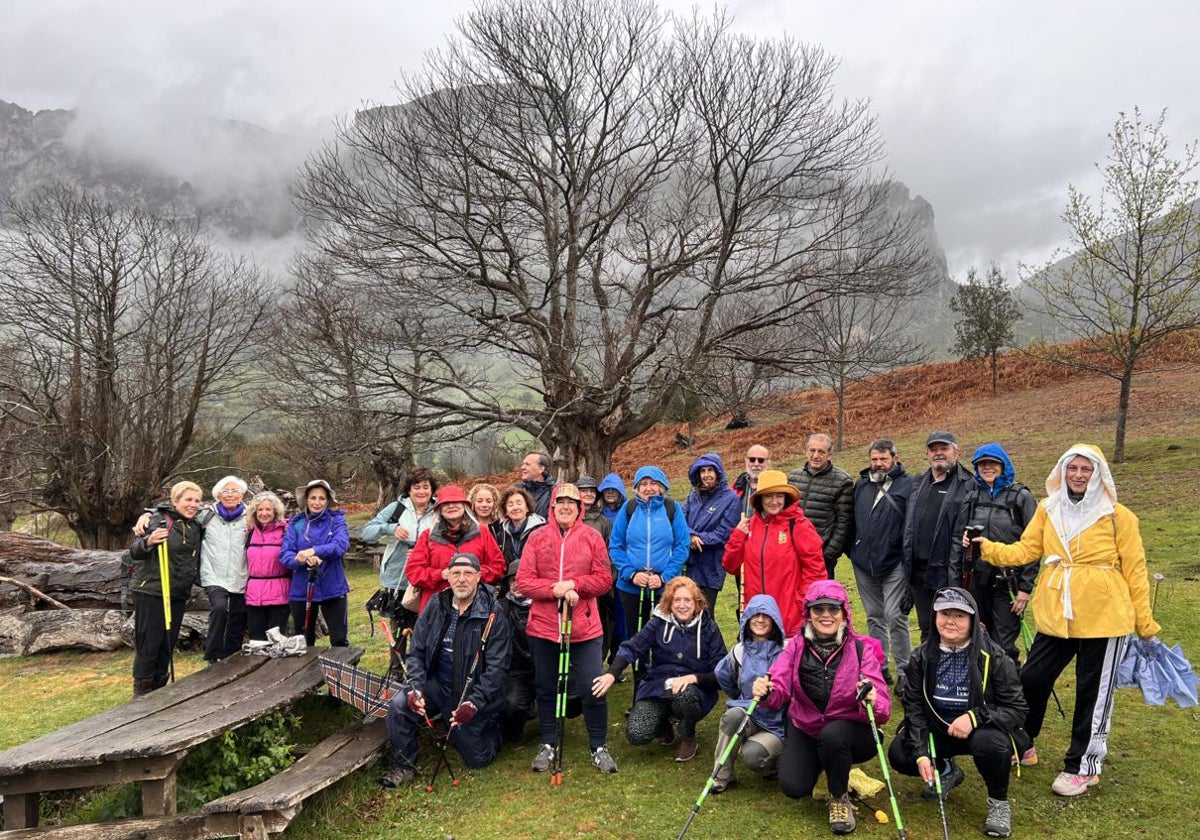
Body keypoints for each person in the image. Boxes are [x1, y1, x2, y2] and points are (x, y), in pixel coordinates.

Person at [975, 444, 1161, 798]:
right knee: (1031, 677)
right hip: (1058, 614)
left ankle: (1083, 766)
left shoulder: (1118, 516)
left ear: (1098, 475)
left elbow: (1136, 572)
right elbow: (1025, 551)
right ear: (1062, 471)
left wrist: (1145, 624)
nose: (1077, 475)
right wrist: (987, 547)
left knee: (1093, 694)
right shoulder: (1049, 508)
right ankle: (1022, 741)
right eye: (1072, 468)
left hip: (1106, 616)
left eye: (1085, 469)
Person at [753, 581, 891, 836]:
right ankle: (829, 764)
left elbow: (883, 709)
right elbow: (779, 687)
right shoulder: (795, 646)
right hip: (806, 727)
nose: (826, 615)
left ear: (844, 613)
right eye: (818, 609)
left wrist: (872, 697)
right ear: (809, 614)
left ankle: (839, 797)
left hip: (851, 731)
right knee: (794, 787)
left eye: (833, 609)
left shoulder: (862, 649)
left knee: (833, 736)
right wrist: (767, 691)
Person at [887, 587, 1026, 839]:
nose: (950, 621)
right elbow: (915, 708)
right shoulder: (921, 657)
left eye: (959, 616)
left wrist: (974, 718)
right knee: (900, 753)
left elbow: (1016, 709)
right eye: (944, 614)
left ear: (973, 620)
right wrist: (920, 754)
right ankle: (946, 771)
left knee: (992, 744)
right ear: (934, 616)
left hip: (980, 732)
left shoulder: (994, 656)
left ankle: (998, 803)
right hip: (939, 730)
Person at [381, 553, 513, 787]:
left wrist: (474, 702)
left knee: (477, 760)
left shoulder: (493, 613)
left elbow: (497, 667)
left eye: (468, 574)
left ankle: (495, 724)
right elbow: (417, 652)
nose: (462, 579)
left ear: (479, 577)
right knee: (400, 705)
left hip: (471, 692)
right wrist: (416, 688)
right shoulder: (436, 604)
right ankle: (403, 765)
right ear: (448, 578)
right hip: (438, 684)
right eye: (456, 574)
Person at [518, 484, 619, 774]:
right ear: (552, 506)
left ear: (580, 508)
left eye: (571, 503)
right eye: (560, 502)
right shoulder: (537, 538)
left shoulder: (592, 537)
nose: (565, 507)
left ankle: (598, 745)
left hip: (585, 627)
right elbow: (524, 581)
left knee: (592, 687)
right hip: (544, 627)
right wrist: (555, 590)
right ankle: (548, 743)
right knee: (546, 687)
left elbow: (603, 579)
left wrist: (576, 585)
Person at [593, 576, 727, 762]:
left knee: (685, 698)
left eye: (687, 600)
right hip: (659, 687)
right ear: (669, 603)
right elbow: (632, 647)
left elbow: (722, 673)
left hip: (695, 691)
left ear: (696, 603)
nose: (682, 605)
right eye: (676, 600)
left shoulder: (708, 628)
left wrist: (693, 678)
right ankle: (663, 723)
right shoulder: (658, 623)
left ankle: (688, 736)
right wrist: (611, 674)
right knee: (637, 734)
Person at [947, 443, 1037, 665]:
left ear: (1003, 465)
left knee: (1003, 643)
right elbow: (959, 540)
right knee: (977, 636)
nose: (987, 468)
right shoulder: (972, 498)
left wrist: (1025, 589)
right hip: (977, 580)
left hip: (1008, 582)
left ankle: (1008, 691)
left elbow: (1035, 545)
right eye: (982, 465)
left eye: (992, 464)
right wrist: (957, 583)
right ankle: (982, 692)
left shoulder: (1021, 497)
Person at [607, 466, 691, 673]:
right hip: (631, 588)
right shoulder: (629, 509)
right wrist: (631, 574)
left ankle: (664, 687)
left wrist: (664, 577)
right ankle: (640, 692)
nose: (648, 488)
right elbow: (615, 546)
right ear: (636, 488)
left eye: (653, 483)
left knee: (666, 639)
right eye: (643, 484)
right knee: (637, 641)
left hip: (665, 589)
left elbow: (682, 546)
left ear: (662, 486)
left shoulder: (672, 508)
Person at [722, 469, 825, 635]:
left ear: (786, 497)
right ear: (760, 499)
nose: (774, 501)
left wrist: (800, 603)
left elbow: (816, 571)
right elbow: (730, 565)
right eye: (769, 496)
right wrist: (738, 535)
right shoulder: (750, 526)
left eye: (779, 496)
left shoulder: (798, 525)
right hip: (757, 618)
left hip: (790, 618)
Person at [128, 481, 205, 694]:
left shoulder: (195, 525)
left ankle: (159, 689)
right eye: (188, 499)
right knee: (149, 644)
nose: (193, 504)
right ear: (175, 500)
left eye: (197, 500)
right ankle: (142, 692)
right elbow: (134, 552)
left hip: (177, 593)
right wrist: (149, 541)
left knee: (167, 644)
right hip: (152, 590)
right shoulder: (158, 520)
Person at [848, 439, 914, 686]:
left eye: (883, 459)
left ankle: (906, 671)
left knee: (895, 616)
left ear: (894, 459)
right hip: (864, 564)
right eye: (874, 459)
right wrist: (853, 550)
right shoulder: (862, 485)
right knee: (875, 616)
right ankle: (880, 666)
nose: (878, 464)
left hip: (894, 562)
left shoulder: (908, 485)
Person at [710, 594, 787, 795]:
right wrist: (739, 696)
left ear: (774, 620)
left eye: (766, 615)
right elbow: (722, 674)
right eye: (755, 615)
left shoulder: (787, 651)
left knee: (753, 756)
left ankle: (776, 764)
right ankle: (721, 775)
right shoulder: (739, 651)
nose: (760, 620)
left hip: (777, 724)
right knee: (732, 715)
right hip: (749, 713)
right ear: (746, 619)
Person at [903, 431, 975, 642]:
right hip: (918, 573)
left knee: (951, 630)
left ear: (956, 451)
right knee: (927, 628)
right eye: (933, 450)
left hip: (947, 571)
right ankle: (928, 673)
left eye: (944, 449)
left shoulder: (968, 484)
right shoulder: (918, 481)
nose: (938, 454)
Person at [404, 485, 506, 613]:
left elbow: (498, 567)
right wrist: (440, 574)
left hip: (476, 606)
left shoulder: (482, 532)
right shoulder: (428, 536)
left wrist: (472, 574)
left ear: (464, 506)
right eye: (446, 503)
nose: (451, 506)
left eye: (456, 502)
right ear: (439, 509)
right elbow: (413, 572)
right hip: (436, 607)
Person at [280, 479, 351, 646]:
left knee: (339, 640)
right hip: (302, 590)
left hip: (333, 587)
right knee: (304, 641)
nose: (317, 502)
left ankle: (340, 672)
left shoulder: (337, 520)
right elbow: (285, 555)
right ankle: (307, 673)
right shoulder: (296, 524)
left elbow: (340, 545)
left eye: (321, 498)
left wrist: (314, 551)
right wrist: (300, 559)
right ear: (306, 499)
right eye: (313, 498)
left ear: (327, 501)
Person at [361, 467, 439, 602]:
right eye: (416, 487)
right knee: (399, 623)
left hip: (429, 579)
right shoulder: (396, 509)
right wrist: (391, 528)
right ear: (409, 490)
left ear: (432, 490)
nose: (421, 491)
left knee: (428, 622)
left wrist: (423, 553)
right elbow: (367, 533)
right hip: (397, 579)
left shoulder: (440, 511)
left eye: (426, 487)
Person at [787, 434, 854, 579]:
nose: (816, 455)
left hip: (821, 556)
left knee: (819, 599)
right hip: (792, 552)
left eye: (821, 452)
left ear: (829, 455)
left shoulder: (842, 481)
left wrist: (829, 554)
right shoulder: (793, 478)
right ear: (806, 451)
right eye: (812, 450)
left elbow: (844, 523)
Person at [199, 476, 250, 663]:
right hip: (213, 573)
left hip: (240, 573)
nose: (230, 495)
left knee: (238, 614)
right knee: (220, 609)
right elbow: (180, 510)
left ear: (242, 495)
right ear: (218, 495)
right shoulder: (206, 515)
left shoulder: (250, 516)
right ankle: (212, 656)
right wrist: (147, 514)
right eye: (225, 491)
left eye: (234, 491)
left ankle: (232, 656)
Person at [682, 453, 741, 611]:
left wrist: (697, 539)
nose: (706, 475)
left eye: (710, 470)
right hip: (688, 563)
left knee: (705, 614)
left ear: (718, 473)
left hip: (711, 566)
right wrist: (690, 537)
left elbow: (723, 534)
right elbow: (679, 523)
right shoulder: (692, 497)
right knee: (687, 612)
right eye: (702, 471)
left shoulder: (731, 499)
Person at [576, 475, 617, 661]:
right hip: (575, 584)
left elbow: (611, 552)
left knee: (603, 624)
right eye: (584, 490)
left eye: (592, 491)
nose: (588, 494)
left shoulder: (604, 522)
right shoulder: (570, 519)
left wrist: (608, 580)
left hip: (601, 586)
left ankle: (598, 663)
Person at [244, 491, 291, 641]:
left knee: (277, 641)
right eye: (260, 510)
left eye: (268, 509)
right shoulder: (250, 533)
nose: (264, 513)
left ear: (275, 511)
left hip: (279, 592)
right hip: (254, 594)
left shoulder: (286, 531)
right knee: (257, 641)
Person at [495, 486, 547, 570]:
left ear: (527, 508)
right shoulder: (501, 535)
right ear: (506, 511)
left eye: (519, 503)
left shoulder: (541, 530)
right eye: (510, 505)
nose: (515, 508)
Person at [731, 444, 771, 518]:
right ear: (746, 461)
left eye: (761, 460)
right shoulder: (736, 485)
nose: (756, 464)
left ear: (768, 462)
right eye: (752, 460)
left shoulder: (776, 485)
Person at [516, 451, 555, 519]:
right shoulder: (516, 489)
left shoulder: (554, 493)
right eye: (523, 464)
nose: (522, 467)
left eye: (527, 464)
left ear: (541, 469)